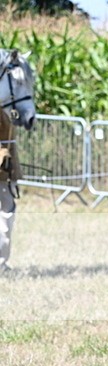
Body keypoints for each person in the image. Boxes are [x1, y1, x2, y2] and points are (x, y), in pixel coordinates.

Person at [0, 109, 22, 272]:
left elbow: (10, 144)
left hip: (5, 175)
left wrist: (14, 174)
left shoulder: (9, 111)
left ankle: (1, 263)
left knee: (7, 218)